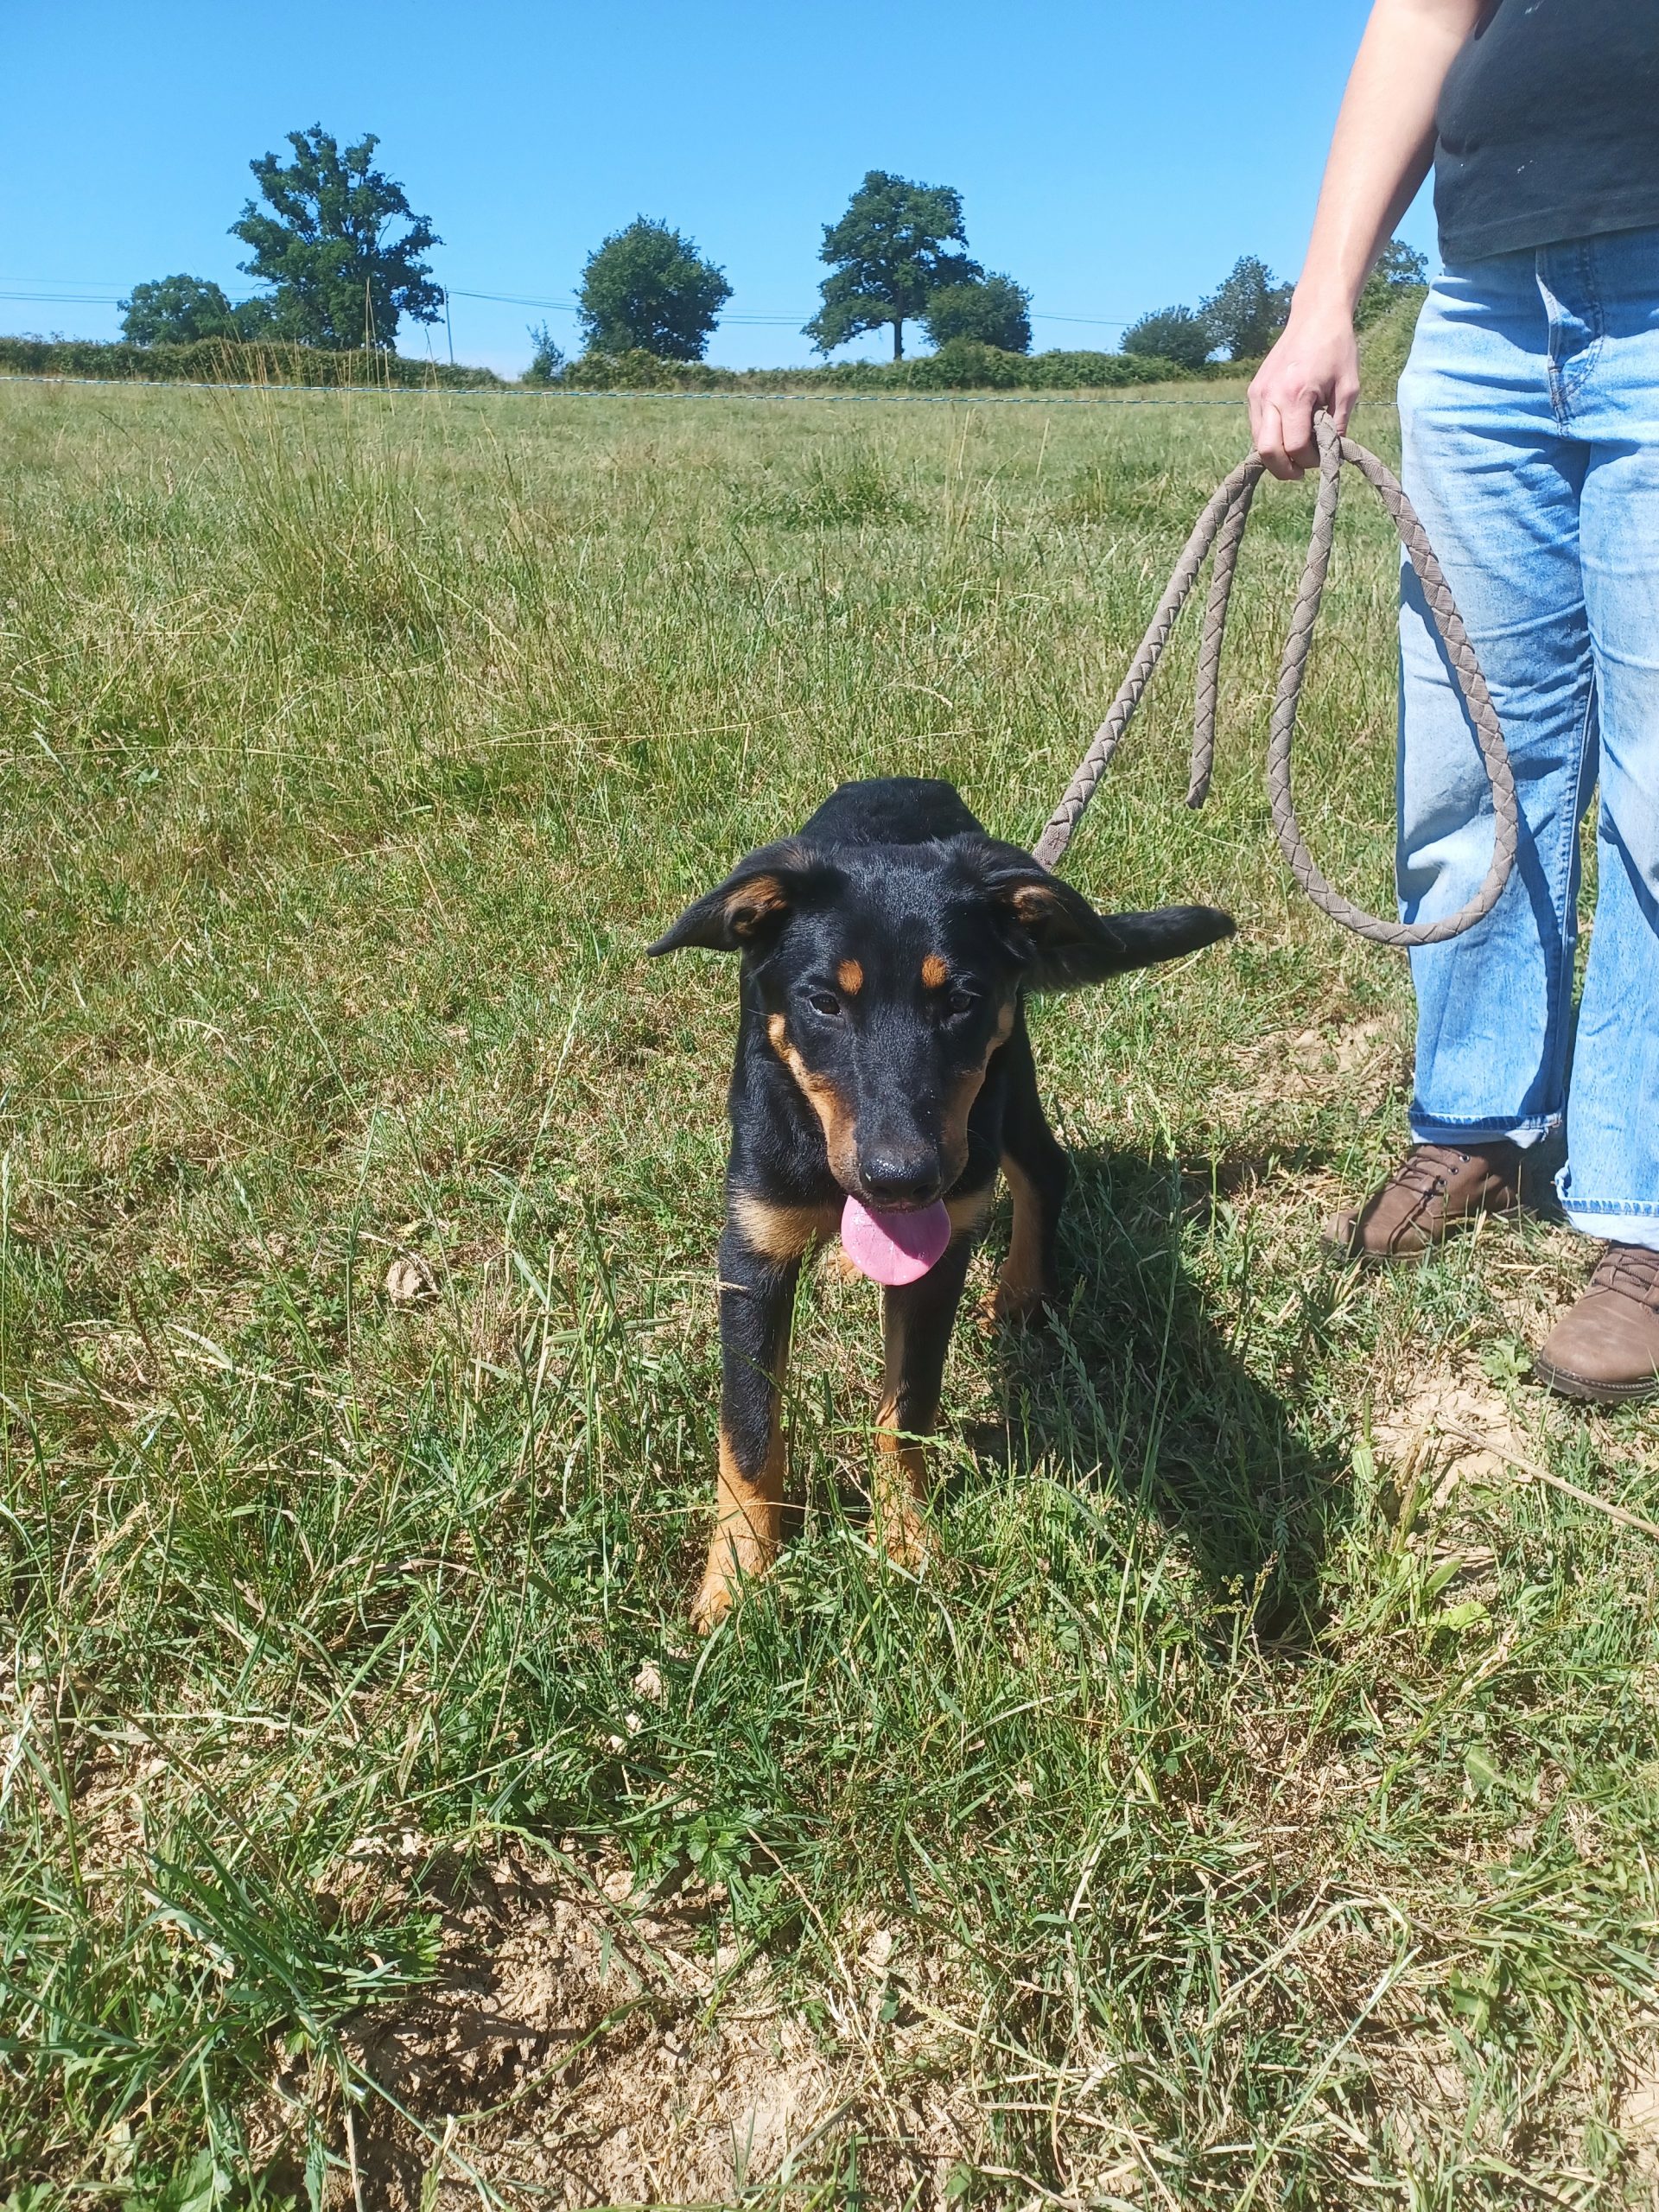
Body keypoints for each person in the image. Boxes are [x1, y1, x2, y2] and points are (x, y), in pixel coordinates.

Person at [1249, 0, 1659, 1403]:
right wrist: (1323, 305)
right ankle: (1481, 1113)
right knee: (1476, 752)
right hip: (1487, 302)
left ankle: (1647, 1208)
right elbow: (1426, 15)